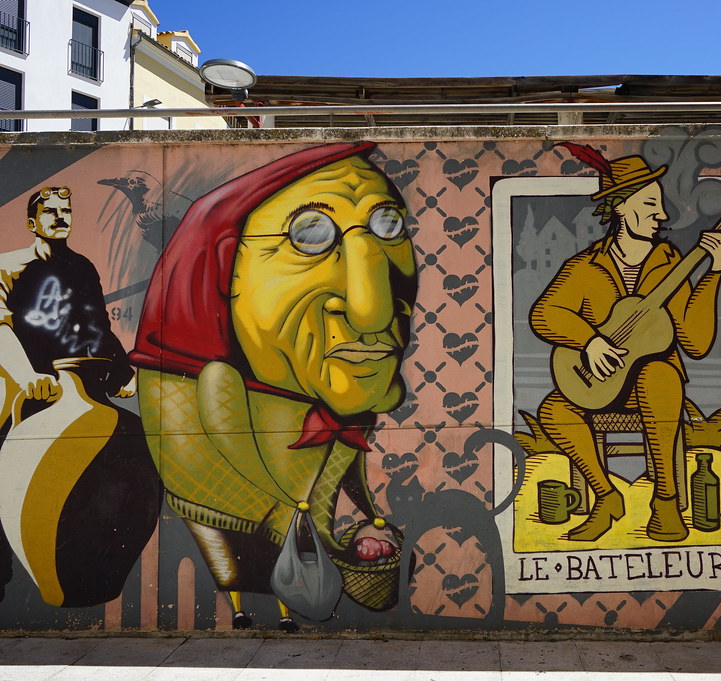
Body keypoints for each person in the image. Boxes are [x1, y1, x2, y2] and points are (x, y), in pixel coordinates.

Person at [130, 143, 416, 630]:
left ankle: (272, 605)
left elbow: (339, 478)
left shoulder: (338, 404)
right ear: (229, 271)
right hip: (243, 500)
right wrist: (288, 503)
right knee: (255, 557)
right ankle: (245, 609)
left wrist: (367, 514)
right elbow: (248, 458)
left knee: (286, 552)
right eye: (310, 235)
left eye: (387, 225)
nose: (373, 311)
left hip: (293, 511)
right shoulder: (219, 385)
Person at [530, 145, 721, 542]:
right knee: (553, 409)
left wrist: (714, 274)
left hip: (655, 390)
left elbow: (696, 342)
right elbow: (543, 314)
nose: (663, 215)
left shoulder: (669, 263)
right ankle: (606, 497)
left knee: (658, 374)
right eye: (651, 204)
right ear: (621, 207)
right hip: (602, 384)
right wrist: (590, 341)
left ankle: (666, 501)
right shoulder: (586, 266)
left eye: (661, 204)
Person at [0, 186, 138, 604]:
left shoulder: (81, 267)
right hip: (21, 390)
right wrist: (26, 375)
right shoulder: (9, 267)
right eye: (51, 211)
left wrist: (121, 373)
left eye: (67, 210)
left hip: (76, 389)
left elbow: (97, 326)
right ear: (32, 222)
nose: (61, 217)